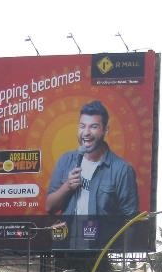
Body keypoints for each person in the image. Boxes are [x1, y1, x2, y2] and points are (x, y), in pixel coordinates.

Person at [45, 100, 139, 250]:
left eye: (93, 127)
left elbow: (131, 221)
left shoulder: (122, 169)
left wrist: (124, 260)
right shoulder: (66, 160)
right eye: (82, 126)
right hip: (64, 249)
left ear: (105, 130)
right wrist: (67, 186)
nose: (86, 133)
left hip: (100, 254)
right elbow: (49, 207)